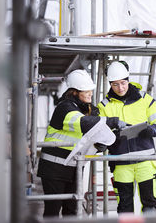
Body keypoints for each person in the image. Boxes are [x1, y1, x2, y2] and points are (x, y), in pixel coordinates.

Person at [37, 69, 125, 217]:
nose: (90, 93)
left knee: (72, 210)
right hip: (54, 169)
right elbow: (83, 123)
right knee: (52, 211)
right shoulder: (65, 108)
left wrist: (99, 145)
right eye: (86, 90)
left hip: (74, 168)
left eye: (91, 89)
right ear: (74, 92)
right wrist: (112, 121)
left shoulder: (89, 109)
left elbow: (90, 136)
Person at [97, 61, 156, 214]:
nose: (120, 88)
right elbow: (99, 132)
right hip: (121, 163)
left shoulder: (144, 99)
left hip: (146, 162)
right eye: (115, 84)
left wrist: (153, 129)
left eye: (123, 83)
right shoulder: (104, 105)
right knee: (125, 207)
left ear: (128, 79)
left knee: (149, 204)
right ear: (110, 83)